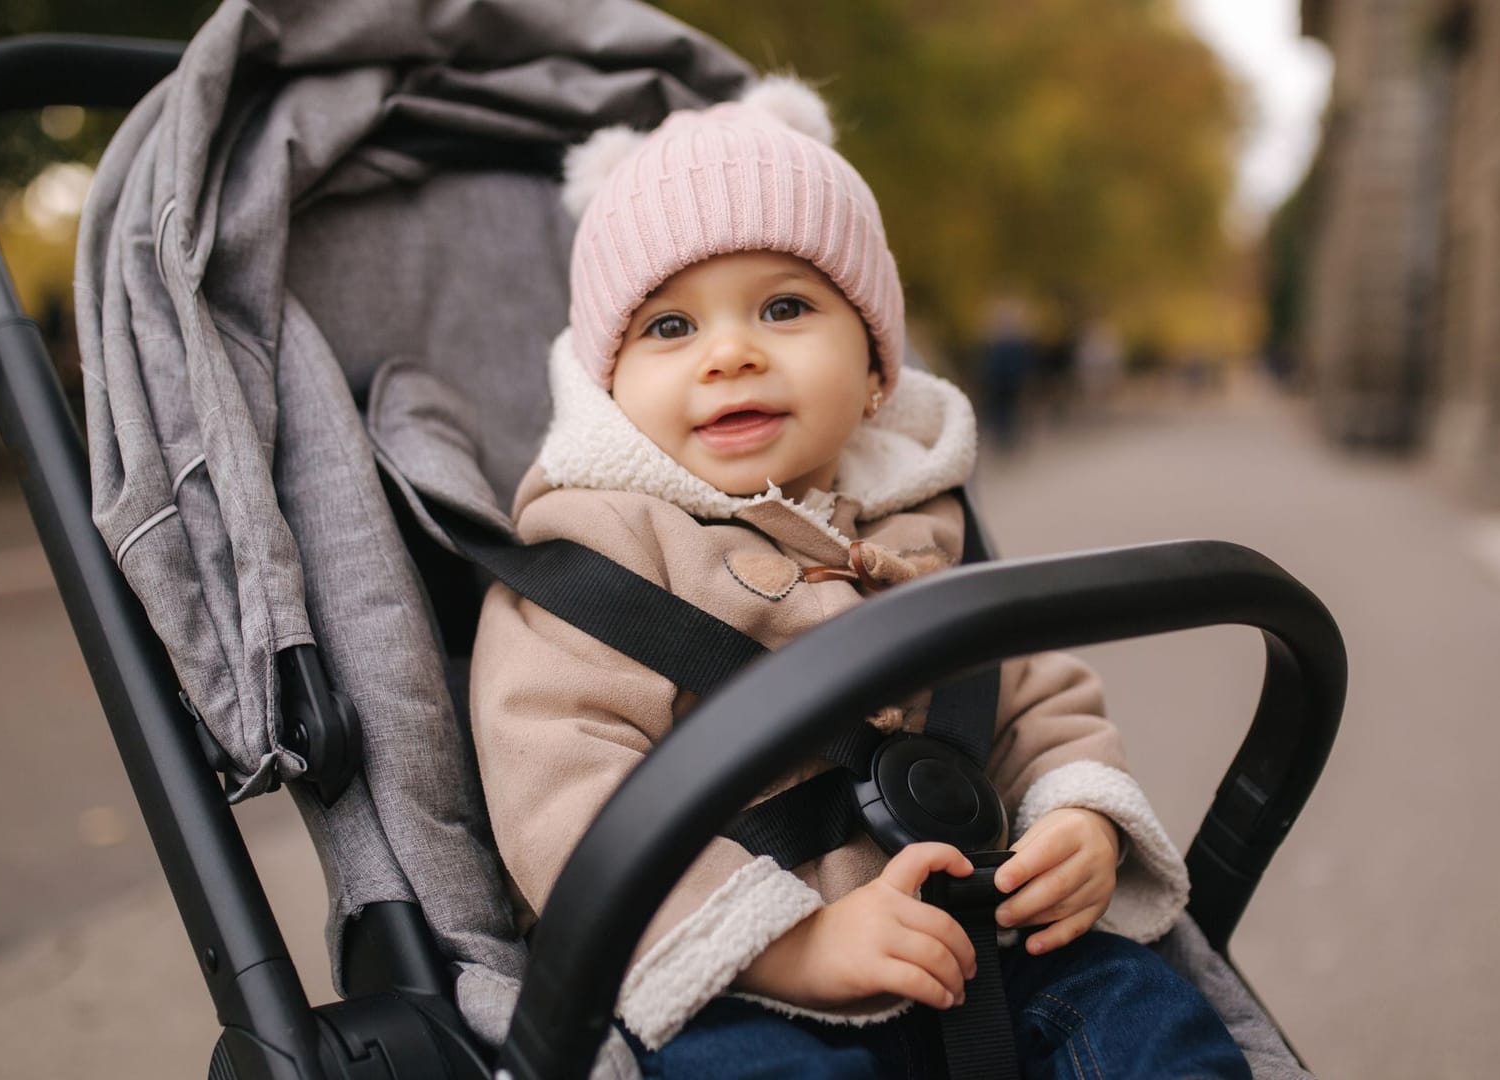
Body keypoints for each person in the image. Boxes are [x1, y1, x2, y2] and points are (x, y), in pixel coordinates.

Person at [471, 75, 1251, 1080]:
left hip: (974, 933)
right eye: (670, 327)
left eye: (784, 307)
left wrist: (1076, 816)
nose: (729, 355)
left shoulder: (921, 520)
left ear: (878, 363)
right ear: (607, 385)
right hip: (728, 976)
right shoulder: (594, 559)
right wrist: (791, 945)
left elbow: (1035, 696)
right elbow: (563, 789)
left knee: (1140, 1010)